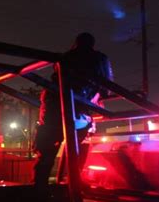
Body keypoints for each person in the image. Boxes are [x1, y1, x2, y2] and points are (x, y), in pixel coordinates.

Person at [33, 32, 113, 189]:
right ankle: (74, 182)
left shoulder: (64, 57)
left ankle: (39, 188)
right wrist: (97, 99)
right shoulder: (99, 59)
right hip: (77, 106)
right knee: (78, 143)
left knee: (47, 152)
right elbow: (107, 86)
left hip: (52, 105)